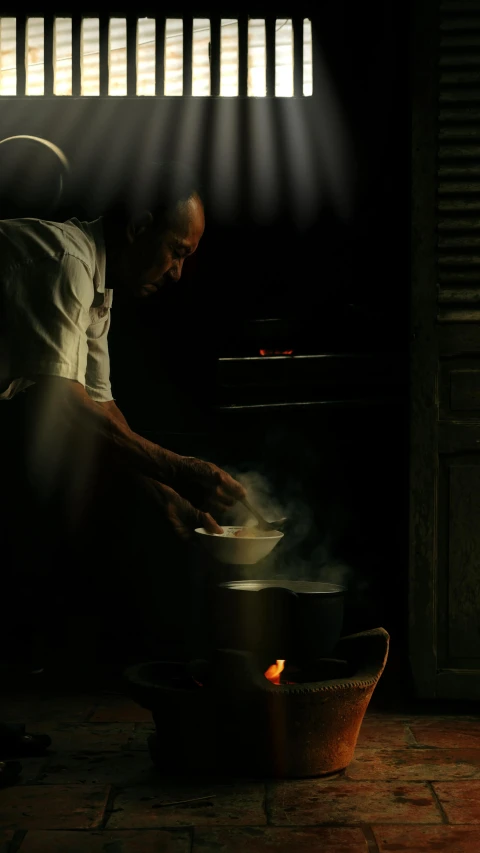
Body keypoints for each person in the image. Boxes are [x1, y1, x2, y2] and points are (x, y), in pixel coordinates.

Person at [0, 161, 246, 676]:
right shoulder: (66, 262)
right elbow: (65, 409)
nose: (178, 272)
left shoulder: (97, 290)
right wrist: (183, 468)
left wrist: (170, 499)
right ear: (138, 227)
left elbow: (101, 409)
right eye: (177, 252)